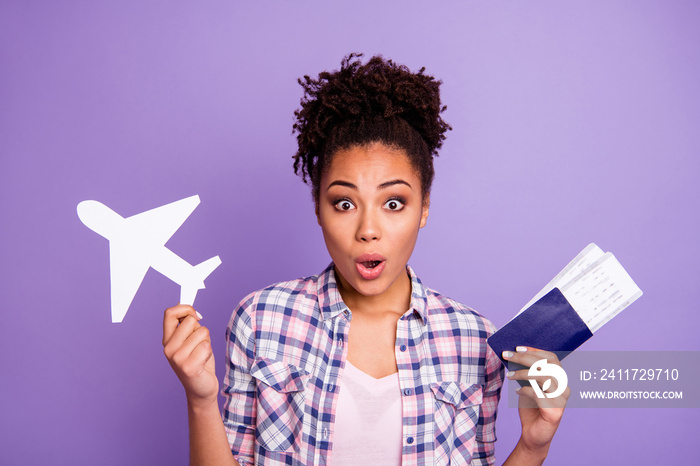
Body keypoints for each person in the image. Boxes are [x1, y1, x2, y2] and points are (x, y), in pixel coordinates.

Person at [162, 53, 569, 465]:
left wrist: (534, 445)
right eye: (344, 203)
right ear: (318, 208)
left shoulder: (474, 340)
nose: (368, 229)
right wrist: (201, 399)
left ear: (424, 207)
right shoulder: (260, 320)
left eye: (393, 203)